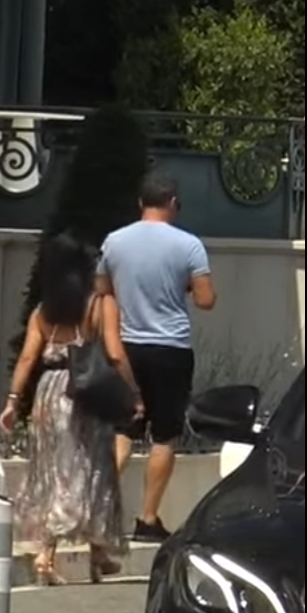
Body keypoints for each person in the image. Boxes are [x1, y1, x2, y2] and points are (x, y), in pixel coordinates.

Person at [3, 234, 134, 585]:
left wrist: (13, 401)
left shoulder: (44, 311)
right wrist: (132, 392)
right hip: (84, 394)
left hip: (48, 394)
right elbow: (116, 353)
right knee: (92, 470)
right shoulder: (99, 305)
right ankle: (92, 553)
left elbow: (29, 358)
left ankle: (57, 552)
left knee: (52, 473)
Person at [97, 172, 215, 542]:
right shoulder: (189, 245)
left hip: (127, 347)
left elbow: (103, 289)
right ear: (174, 202)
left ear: (140, 204)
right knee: (165, 435)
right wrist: (182, 286)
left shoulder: (114, 241)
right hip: (171, 349)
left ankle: (99, 511)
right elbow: (206, 299)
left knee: (122, 431)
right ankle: (147, 518)